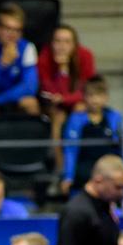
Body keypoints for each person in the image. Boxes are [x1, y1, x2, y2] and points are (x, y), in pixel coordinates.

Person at [37, 24, 96, 171]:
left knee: (79, 109)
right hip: (53, 107)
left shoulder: (85, 56)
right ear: (51, 43)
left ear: (74, 44)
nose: (62, 46)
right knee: (58, 116)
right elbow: (47, 91)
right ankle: (60, 165)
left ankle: (80, 162)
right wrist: (62, 71)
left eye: (67, 42)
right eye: (57, 41)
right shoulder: (45, 57)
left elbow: (88, 90)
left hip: (77, 103)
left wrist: (65, 98)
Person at [60, 76, 123, 195]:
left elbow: (120, 149)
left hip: (108, 167)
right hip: (85, 167)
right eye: (91, 95)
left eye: (99, 95)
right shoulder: (75, 119)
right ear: (85, 97)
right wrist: (68, 177)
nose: (95, 99)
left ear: (106, 96)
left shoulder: (115, 117)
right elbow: (70, 150)